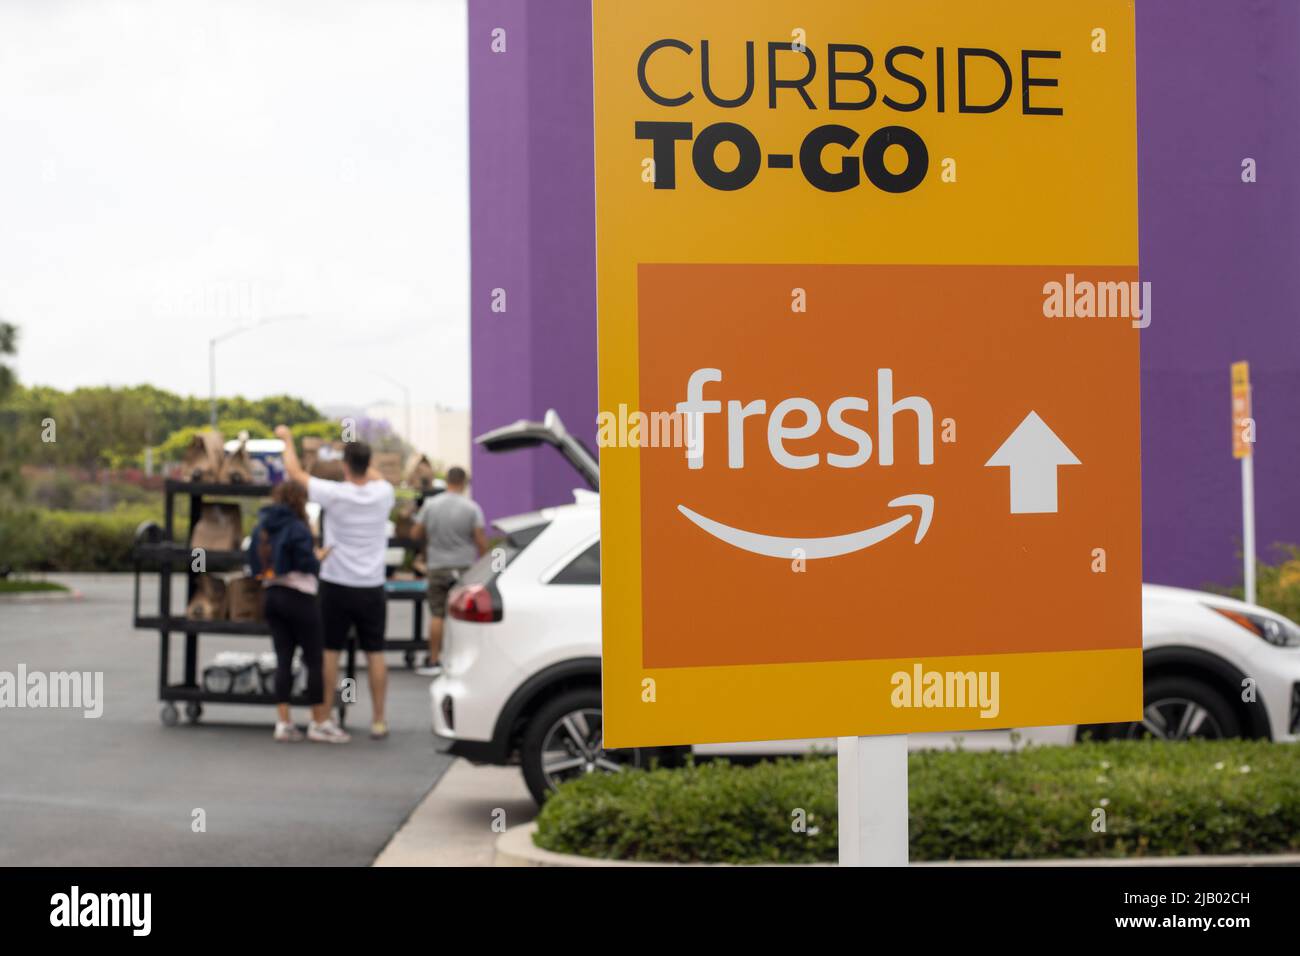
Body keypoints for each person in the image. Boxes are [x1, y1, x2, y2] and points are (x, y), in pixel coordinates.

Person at [276, 426, 395, 740]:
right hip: (371, 585)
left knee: (330, 652)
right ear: (368, 464)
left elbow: (294, 471)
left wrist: (287, 439)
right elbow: (375, 474)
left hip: (336, 583)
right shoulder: (384, 493)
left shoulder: (334, 493)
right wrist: (355, 456)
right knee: (375, 653)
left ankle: (325, 716)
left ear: (344, 467)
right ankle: (379, 720)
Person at [248, 481, 349, 743]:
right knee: (314, 660)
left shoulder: (263, 526)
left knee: (283, 659)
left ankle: (284, 722)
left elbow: (252, 560)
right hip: (300, 596)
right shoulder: (298, 527)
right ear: (300, 500)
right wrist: (319, 556)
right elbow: (307, 563)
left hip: (271, 594)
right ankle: (319, 721)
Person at [411, 466, 487, 677]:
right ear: (464, 483)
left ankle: (434, 659)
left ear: (446, 480)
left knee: (437, 614)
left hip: (437, 566)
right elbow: (481, 541)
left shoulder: (431, 505)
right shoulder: (472, 508)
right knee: (463, 615)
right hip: (463, 568)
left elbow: (415, 532)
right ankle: (462, 660)